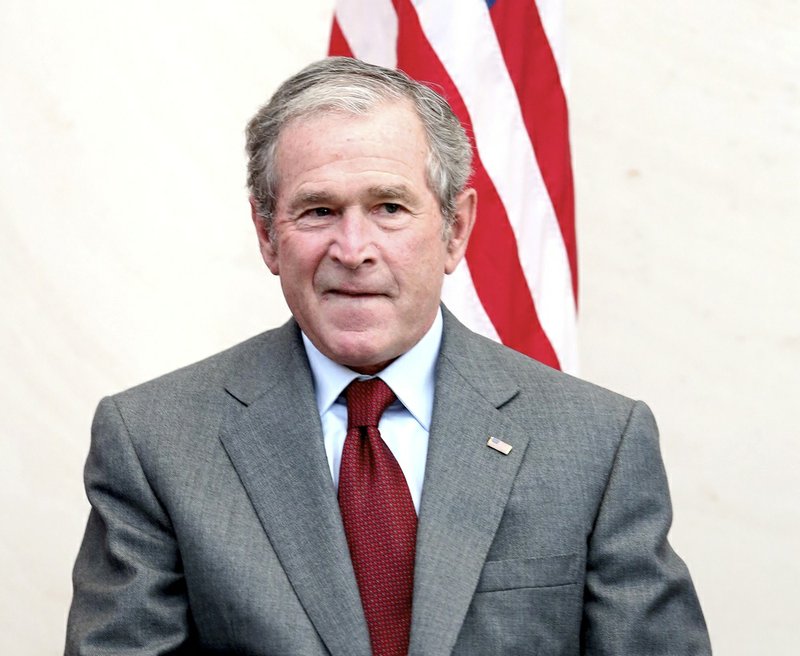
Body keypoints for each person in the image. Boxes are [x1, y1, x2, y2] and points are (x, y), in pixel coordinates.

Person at [66, 57, 711, 655]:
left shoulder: (598, 443)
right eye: (319, 210)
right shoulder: (155, 443)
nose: (354, 248)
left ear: (455, 229)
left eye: (389, 207)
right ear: (267, 236)